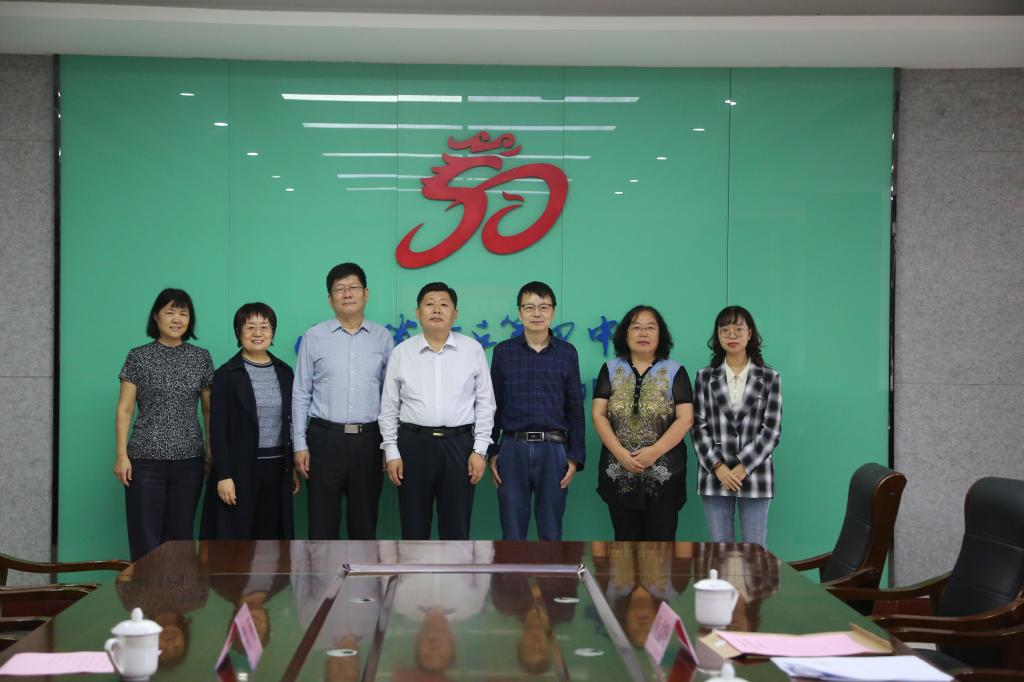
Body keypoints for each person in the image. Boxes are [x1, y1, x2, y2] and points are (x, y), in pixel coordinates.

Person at [379, 282, 496, 540]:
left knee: (456, 530)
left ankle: (454, 570)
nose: (436, 309)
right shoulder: (402, 353)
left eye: (444, 304)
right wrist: (392, 451)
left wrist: (479, 450)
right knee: (414, 527)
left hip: (459, 446)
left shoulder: (472, 350)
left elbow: (485, 403)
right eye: (429, 304)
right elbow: (388, 408)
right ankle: (414, 570)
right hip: (413, 445)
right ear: (417, 312)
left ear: (455, 313)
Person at [292, 263, 394, 540]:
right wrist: (299, 444)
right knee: (322, 526)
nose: (347, 294)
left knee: (364, 525)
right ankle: (322, 572)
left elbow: (390, 397)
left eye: (353, 287)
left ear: (366, 293)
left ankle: (362, 572)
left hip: (369, 441)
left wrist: (389, 444)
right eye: (340, 289)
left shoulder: (383, 338)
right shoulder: (314, 336)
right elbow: (301, 393)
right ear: (330, 298)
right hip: (324, 440)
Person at [114, 288, 213, 561]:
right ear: (156, 317)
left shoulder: (201, 357)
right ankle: (146, 590)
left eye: (183, 313)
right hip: (145, 460)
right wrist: (121, 455)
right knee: (145, 537)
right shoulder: (138, 356)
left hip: (189, 461)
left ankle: (177, 591)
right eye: (170, 312)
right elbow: (125, 409)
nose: (177, 319)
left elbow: (208, 409)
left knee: (180, 538)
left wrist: (209, 450)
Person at [488, 281, 585, 541]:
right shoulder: (504, 352)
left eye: (544, 307)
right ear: (519, 313)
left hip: (554, 450)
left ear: (553, 311)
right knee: (512, 534)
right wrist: (492, 451)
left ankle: (551, 572)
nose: (537, 313)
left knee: (551, 533)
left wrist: (574, 457)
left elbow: (575, 408)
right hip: (512, 448)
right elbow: (493, 405)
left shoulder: (567, 353)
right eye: (529, 307)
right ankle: (513, 572)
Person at [593, 305, 693, 541]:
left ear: (661, 335)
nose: (643, 333)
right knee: (624, 544)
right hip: (619, 472)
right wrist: (620, 454)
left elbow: (686, 418)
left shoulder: (675, 370)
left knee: (662, 547)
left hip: (664, 475)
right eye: (636, 328)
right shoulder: (611, 369)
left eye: (650, 328)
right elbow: (598, 415)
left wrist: (654, 452)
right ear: (625, 334)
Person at [201, 302, 298, 540]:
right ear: (238, 332)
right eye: (250, 327)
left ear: (273, 331)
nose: (258, 333)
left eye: (264, 327)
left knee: (273, 540)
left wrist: (293, 468)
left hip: (278, 469)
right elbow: (217, 429)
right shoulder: (226, 374)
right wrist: (223, 475)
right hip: (239, 470)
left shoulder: (285, 372)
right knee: (238, 541)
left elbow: (291, 423)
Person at [692, 305, 782, 547]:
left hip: (755, 474)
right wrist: (718, 466)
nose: (731, 335)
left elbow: (771, 430)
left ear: (749, 333)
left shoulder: (769, 377)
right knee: (720, 549)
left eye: (738, 329)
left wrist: (743, 467)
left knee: (755, 551)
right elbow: (698, 426)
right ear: (717, 335)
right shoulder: (704, 377)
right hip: (715, 475)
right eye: (725, 330)